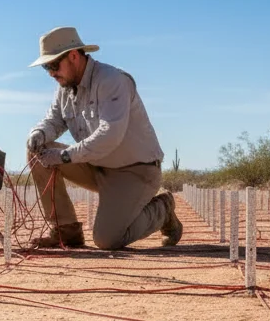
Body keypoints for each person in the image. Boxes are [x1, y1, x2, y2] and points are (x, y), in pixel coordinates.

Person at [25, 26, 183, 250]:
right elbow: (54, 120)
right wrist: (38, 133)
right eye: (46, 68)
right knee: (36, 151)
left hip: (134, 172)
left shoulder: (112, 80)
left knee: (107, 240)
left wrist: (65, 156)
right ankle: (66, 231)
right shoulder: (65, 88)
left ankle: (163, 209)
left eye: (53, 65)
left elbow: (110, 135)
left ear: (73, 56)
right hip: (96, 167)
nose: (51, 73)